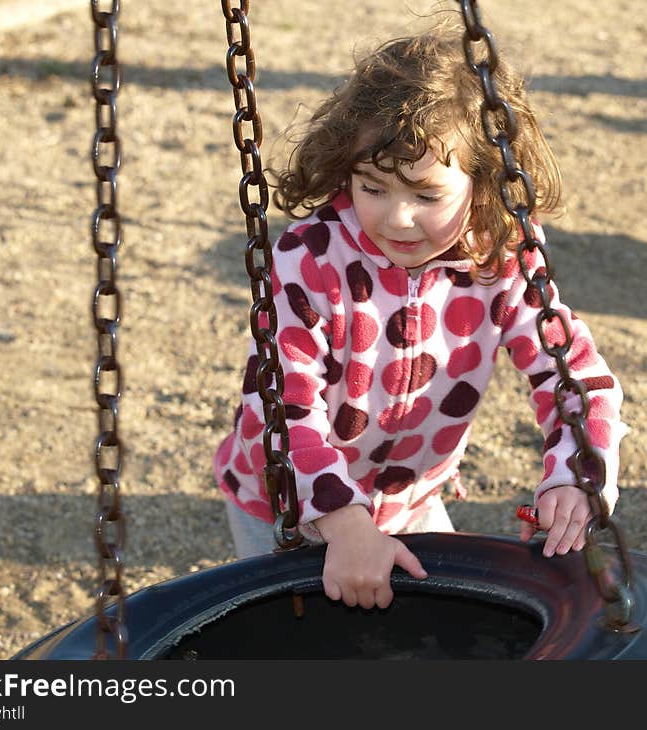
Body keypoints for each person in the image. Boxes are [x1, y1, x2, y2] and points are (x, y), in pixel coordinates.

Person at [213, 19, 626, 612]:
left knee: (446, 629)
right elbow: (283, 404)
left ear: (482, 181)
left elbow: (575, 377)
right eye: (372, 186)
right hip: (288, 505)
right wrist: (345, 523)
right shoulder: (311, 259)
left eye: (427, 195)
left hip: (413, 501)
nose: (396, 218)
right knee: (301, 638)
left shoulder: (501, 258)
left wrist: (574, 474)